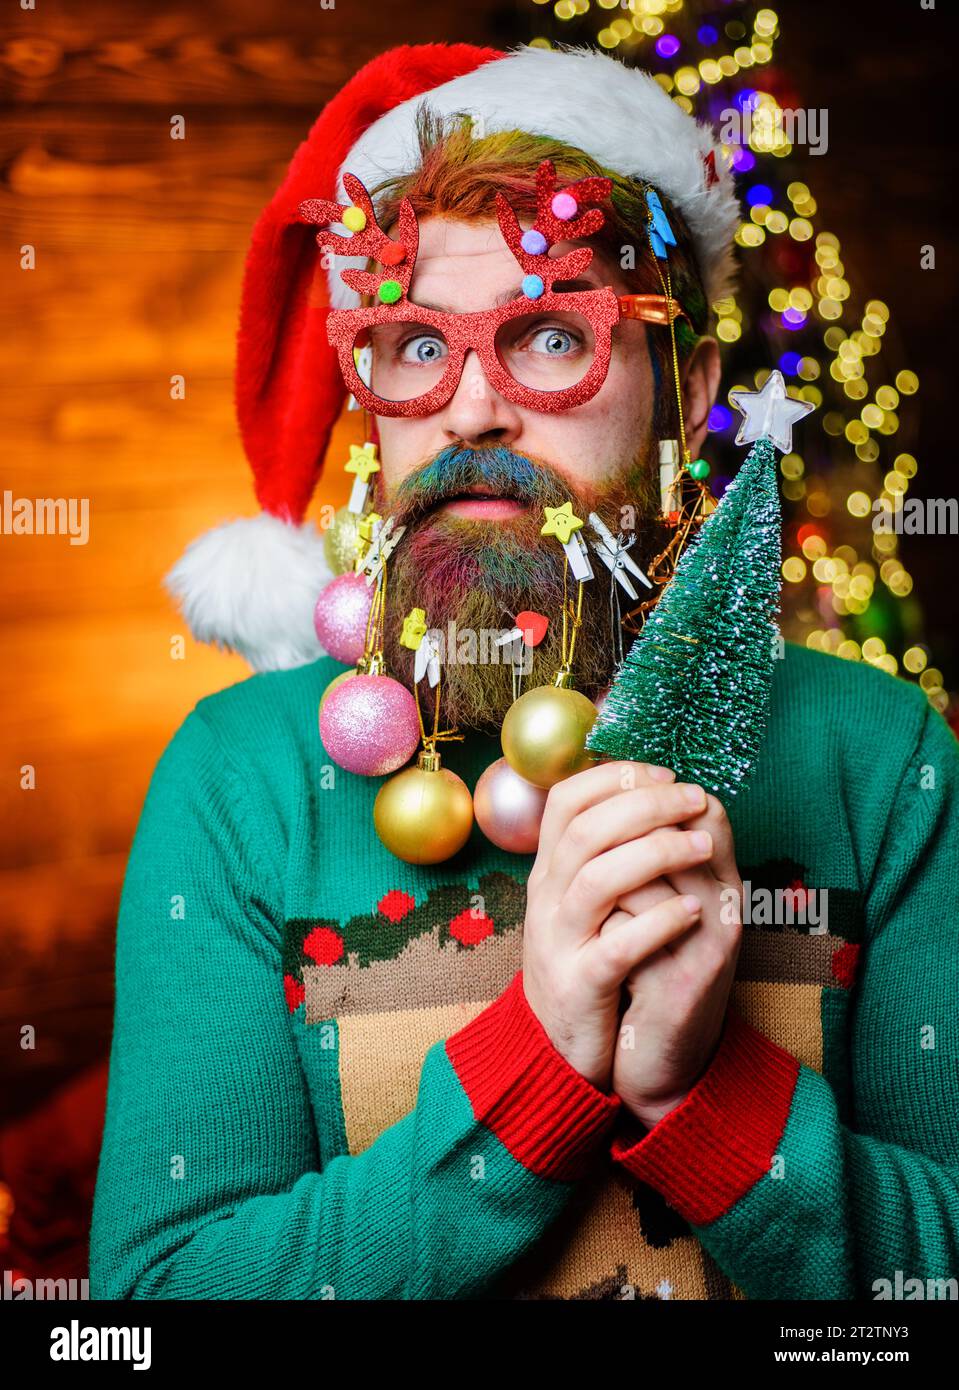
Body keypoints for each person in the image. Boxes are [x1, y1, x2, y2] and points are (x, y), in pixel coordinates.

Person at [89, 41, 959, 1302]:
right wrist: (539, 1068)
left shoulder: (883, 762)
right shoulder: (235, 783)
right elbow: (144, 1312)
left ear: (687, 385)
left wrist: (701, 1095)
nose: (469, 413)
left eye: (549, 337)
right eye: (408, 345)